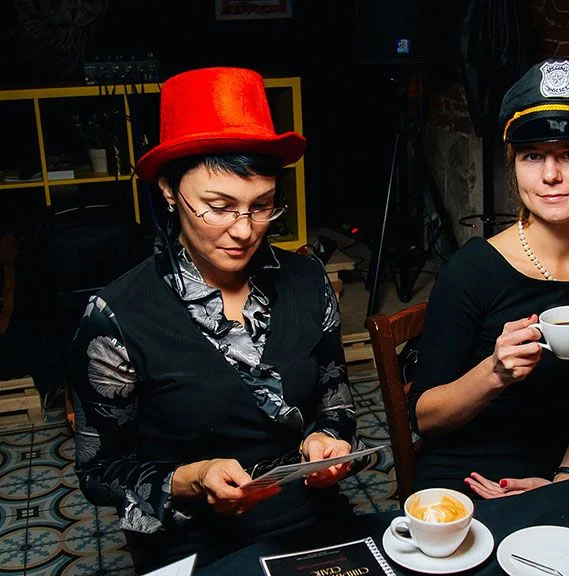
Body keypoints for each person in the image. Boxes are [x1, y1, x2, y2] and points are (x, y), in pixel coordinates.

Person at [70, 67, 361, 571]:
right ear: (169, 188)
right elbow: (100, 472)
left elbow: (334, 400)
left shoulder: (309, 281)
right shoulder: (115, 318)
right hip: (189, 534)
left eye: (262, 206)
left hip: (308, 512)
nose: (244, 231)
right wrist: (190, 479)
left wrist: (327, 439)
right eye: (218, 207)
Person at [409, 58, 569, 498]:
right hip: (466, 472)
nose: (550, 175)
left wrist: (563, 479)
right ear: (515, 168)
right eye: (533, 156)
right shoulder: (473, 269)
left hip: (558, 465)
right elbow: (425, 418)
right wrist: (494, 373)